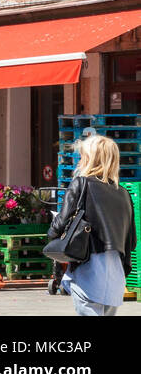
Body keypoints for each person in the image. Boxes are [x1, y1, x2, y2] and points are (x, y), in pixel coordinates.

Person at [50, 134, 138, 316]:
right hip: (115, 274)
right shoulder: (123, 194)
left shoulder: (81, 184)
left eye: (82, 156)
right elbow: (132, 240)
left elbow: (59, 224)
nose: (80, 160)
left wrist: (51, 235)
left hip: (89, 270)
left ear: (90, 158)